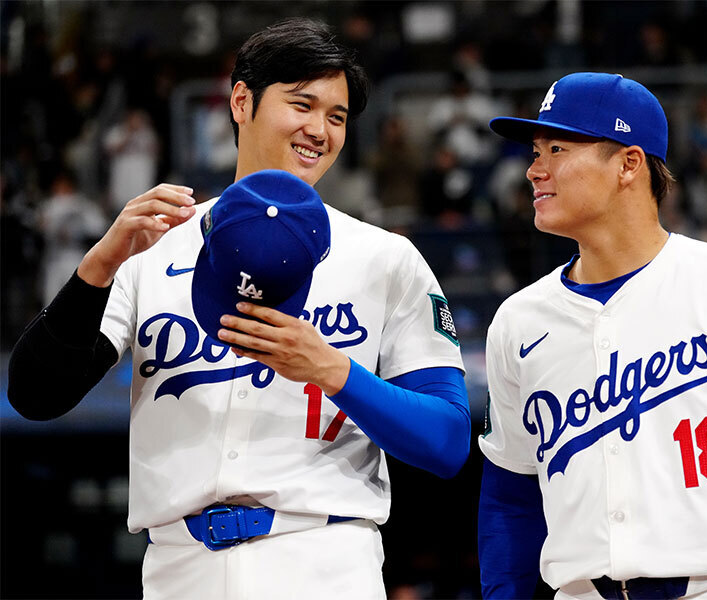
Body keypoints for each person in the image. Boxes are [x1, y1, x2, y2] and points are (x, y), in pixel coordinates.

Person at [8, 18, 470, 600]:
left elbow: (449, 440)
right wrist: (98, 267)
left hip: (323, 560)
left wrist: (335, 372)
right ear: (241, 100)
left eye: (337, 117)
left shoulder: (383, 257)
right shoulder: (154, 247)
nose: (320, 130)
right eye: (302, 104)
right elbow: (35, 395)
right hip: (179, 568)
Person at [477, 72, 707, 600]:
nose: (534, 170)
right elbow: (509, 500)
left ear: (629, 163)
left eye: (556, 148)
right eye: (535, 152)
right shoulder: (518, 320)